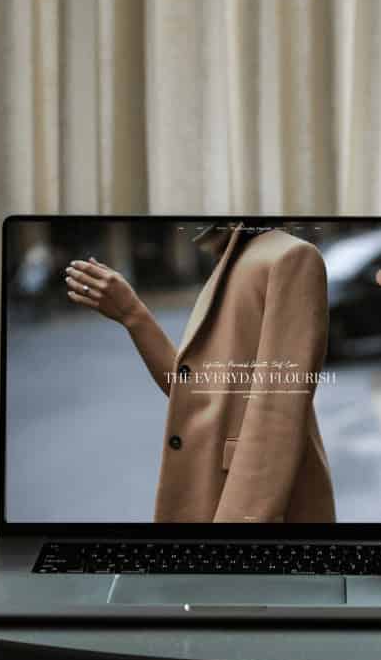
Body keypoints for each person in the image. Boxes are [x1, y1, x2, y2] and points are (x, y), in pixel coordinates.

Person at [65, 223, 336, 522]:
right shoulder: (236, 258)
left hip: (250, 513)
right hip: (214, 498)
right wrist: (132, 315)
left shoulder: (290, 257)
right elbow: (201, 394)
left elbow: (276, 414)